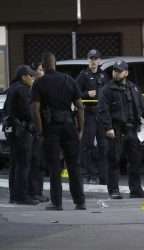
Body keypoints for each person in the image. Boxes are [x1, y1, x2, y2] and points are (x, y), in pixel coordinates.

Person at [32, 52, 86, 210]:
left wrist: (40, 130)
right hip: (69, 127)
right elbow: (80, 106)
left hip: (51, 128)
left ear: (43, 65)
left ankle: (57, 202)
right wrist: (81, 129)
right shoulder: (68, 80)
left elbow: (35, 109)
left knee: (54, 167)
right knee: (74, 165)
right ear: (55, 64)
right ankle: (80, 201)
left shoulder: (39, 83)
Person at [97, 59, 144, 199]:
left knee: (135, 161)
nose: (116, 73)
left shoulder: (133, 88)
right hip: (117, 130)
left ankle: (136, 190)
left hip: (133, 129)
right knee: (114, 161)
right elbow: (103, 111)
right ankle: (113, 190)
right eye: (114, 71)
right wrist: (108, 127)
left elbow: (143, 107)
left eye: (119, 71)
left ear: (126, 73)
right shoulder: (107, 89)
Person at [3, 65, 39, 205]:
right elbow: (28, 111)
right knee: (24, 164)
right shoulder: (23, 90)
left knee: (15, 164)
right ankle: (22, 196)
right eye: (31, 76)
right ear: (23, 77)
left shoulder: (12, 88)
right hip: (22, 131)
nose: (33, 78)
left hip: (12, 130)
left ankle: (14, 195)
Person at [76, 49, 109, 184]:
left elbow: (108, 92)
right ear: (88, 60)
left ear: (100, 60)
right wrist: (86, 95)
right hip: (89, 114)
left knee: (104, 146)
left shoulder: (104, 75)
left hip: (101, 115)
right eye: (91, 59)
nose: (93, 61)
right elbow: (75, 92)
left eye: (96, 59)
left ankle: (103, 176)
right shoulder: (83, 75)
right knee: (87, 145)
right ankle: (91, 174)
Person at [27, 62, 49, 202]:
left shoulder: (43, 86)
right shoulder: (32, 87)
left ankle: (38, 192)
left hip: (43, 129)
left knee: (40, 162)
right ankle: (33, 192)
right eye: (40, 70)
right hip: (34, 130)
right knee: (34, 162)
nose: (42, 72)